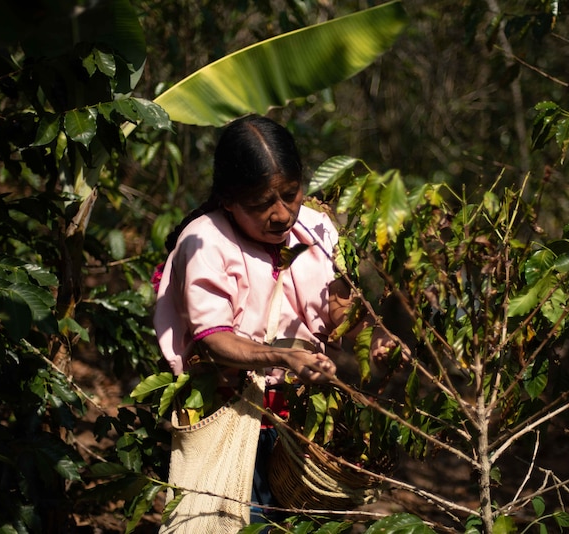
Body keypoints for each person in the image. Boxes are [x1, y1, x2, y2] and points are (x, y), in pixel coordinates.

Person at [153, 114, 393, 532]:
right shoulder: (205, 241)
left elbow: (340, 311)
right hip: (228, 410)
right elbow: (215, 339)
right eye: (262, 204)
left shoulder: (316, 228)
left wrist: (376, 336)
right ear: (228, 199)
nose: (281, 214)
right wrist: (282, 356)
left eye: (290, 194)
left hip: (301, 414)